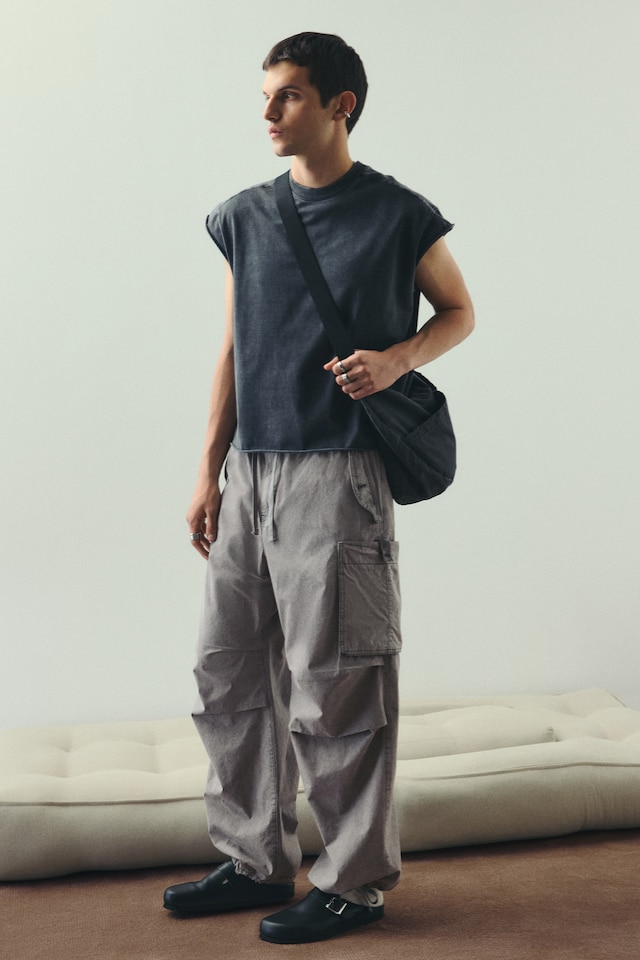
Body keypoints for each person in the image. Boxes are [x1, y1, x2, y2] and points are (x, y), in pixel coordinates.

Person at [163, 32, 474, 944]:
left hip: (339, 472)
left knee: (339, 684)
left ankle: (353, 881)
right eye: (265, 94)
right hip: (251, 471)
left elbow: (459, 310)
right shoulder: (244, 216)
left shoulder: (398, 214)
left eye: (289, 95)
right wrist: (208, 469)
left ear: (342, 105)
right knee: (227, 673)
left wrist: (398, 358)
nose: (268, 112)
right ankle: (254, 858)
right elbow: (233, 347)